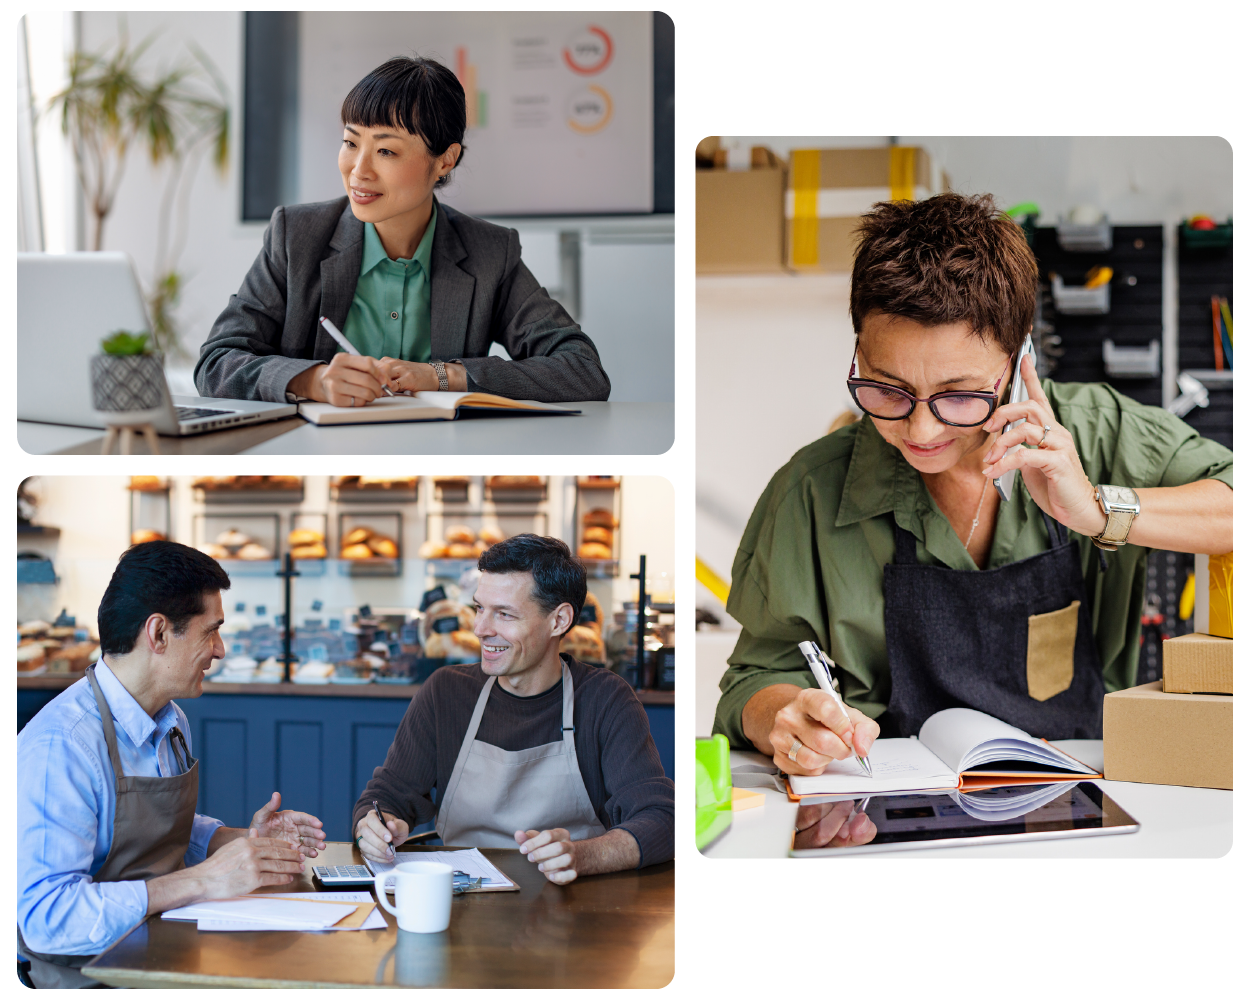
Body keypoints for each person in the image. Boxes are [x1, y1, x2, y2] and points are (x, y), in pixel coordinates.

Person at [714, 193, 1233, 848]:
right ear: (857, 355)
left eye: (959, 395)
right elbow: (755, 681)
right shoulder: (810, 491)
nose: (921, 428)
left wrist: (1100, 507)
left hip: (1087, 818)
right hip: (886, 825)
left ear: (1020, 365)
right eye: (886, 389)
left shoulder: (1100, 432)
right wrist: (781, 715)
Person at [195, 55, 611, 407]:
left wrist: (441, 376)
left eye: (386, 150)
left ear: (445, 161)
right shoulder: (296, 236)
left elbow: (582, 370)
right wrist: (313, 381)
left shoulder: (489, 252)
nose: (359, 170)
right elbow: (216, 362)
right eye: (351, 142)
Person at [17, 541, 327, 988]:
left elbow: (147, 830)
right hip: (84, 977)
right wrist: (201, 881)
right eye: (211, 631)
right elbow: (47, 919)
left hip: (157, 952)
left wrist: (236, 840)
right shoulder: (60, 747)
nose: (220, 650)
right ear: (158, 634)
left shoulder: (171, 718)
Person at [353, 534, 674, 884]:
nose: (480, 629)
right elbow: (385, 798)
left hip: (572, 912)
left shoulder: (604, 699)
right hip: (462, 909)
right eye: (479, 608)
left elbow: (662, 819)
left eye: (504, 614)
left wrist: (584, 855)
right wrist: (374, 826)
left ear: (559, 620)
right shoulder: (446, 692)